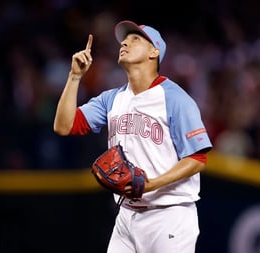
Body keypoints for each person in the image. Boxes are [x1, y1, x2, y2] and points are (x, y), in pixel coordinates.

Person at [53, 20, 213, 253]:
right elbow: (64, 126)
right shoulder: (112, 99)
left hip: (169, 215)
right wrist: (75, 76)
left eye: (136, 39)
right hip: (126, 216)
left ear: (154, 52)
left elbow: (198, 160)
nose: (125, 42)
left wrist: (152, 184)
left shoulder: (175, 99)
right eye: (124, 39)